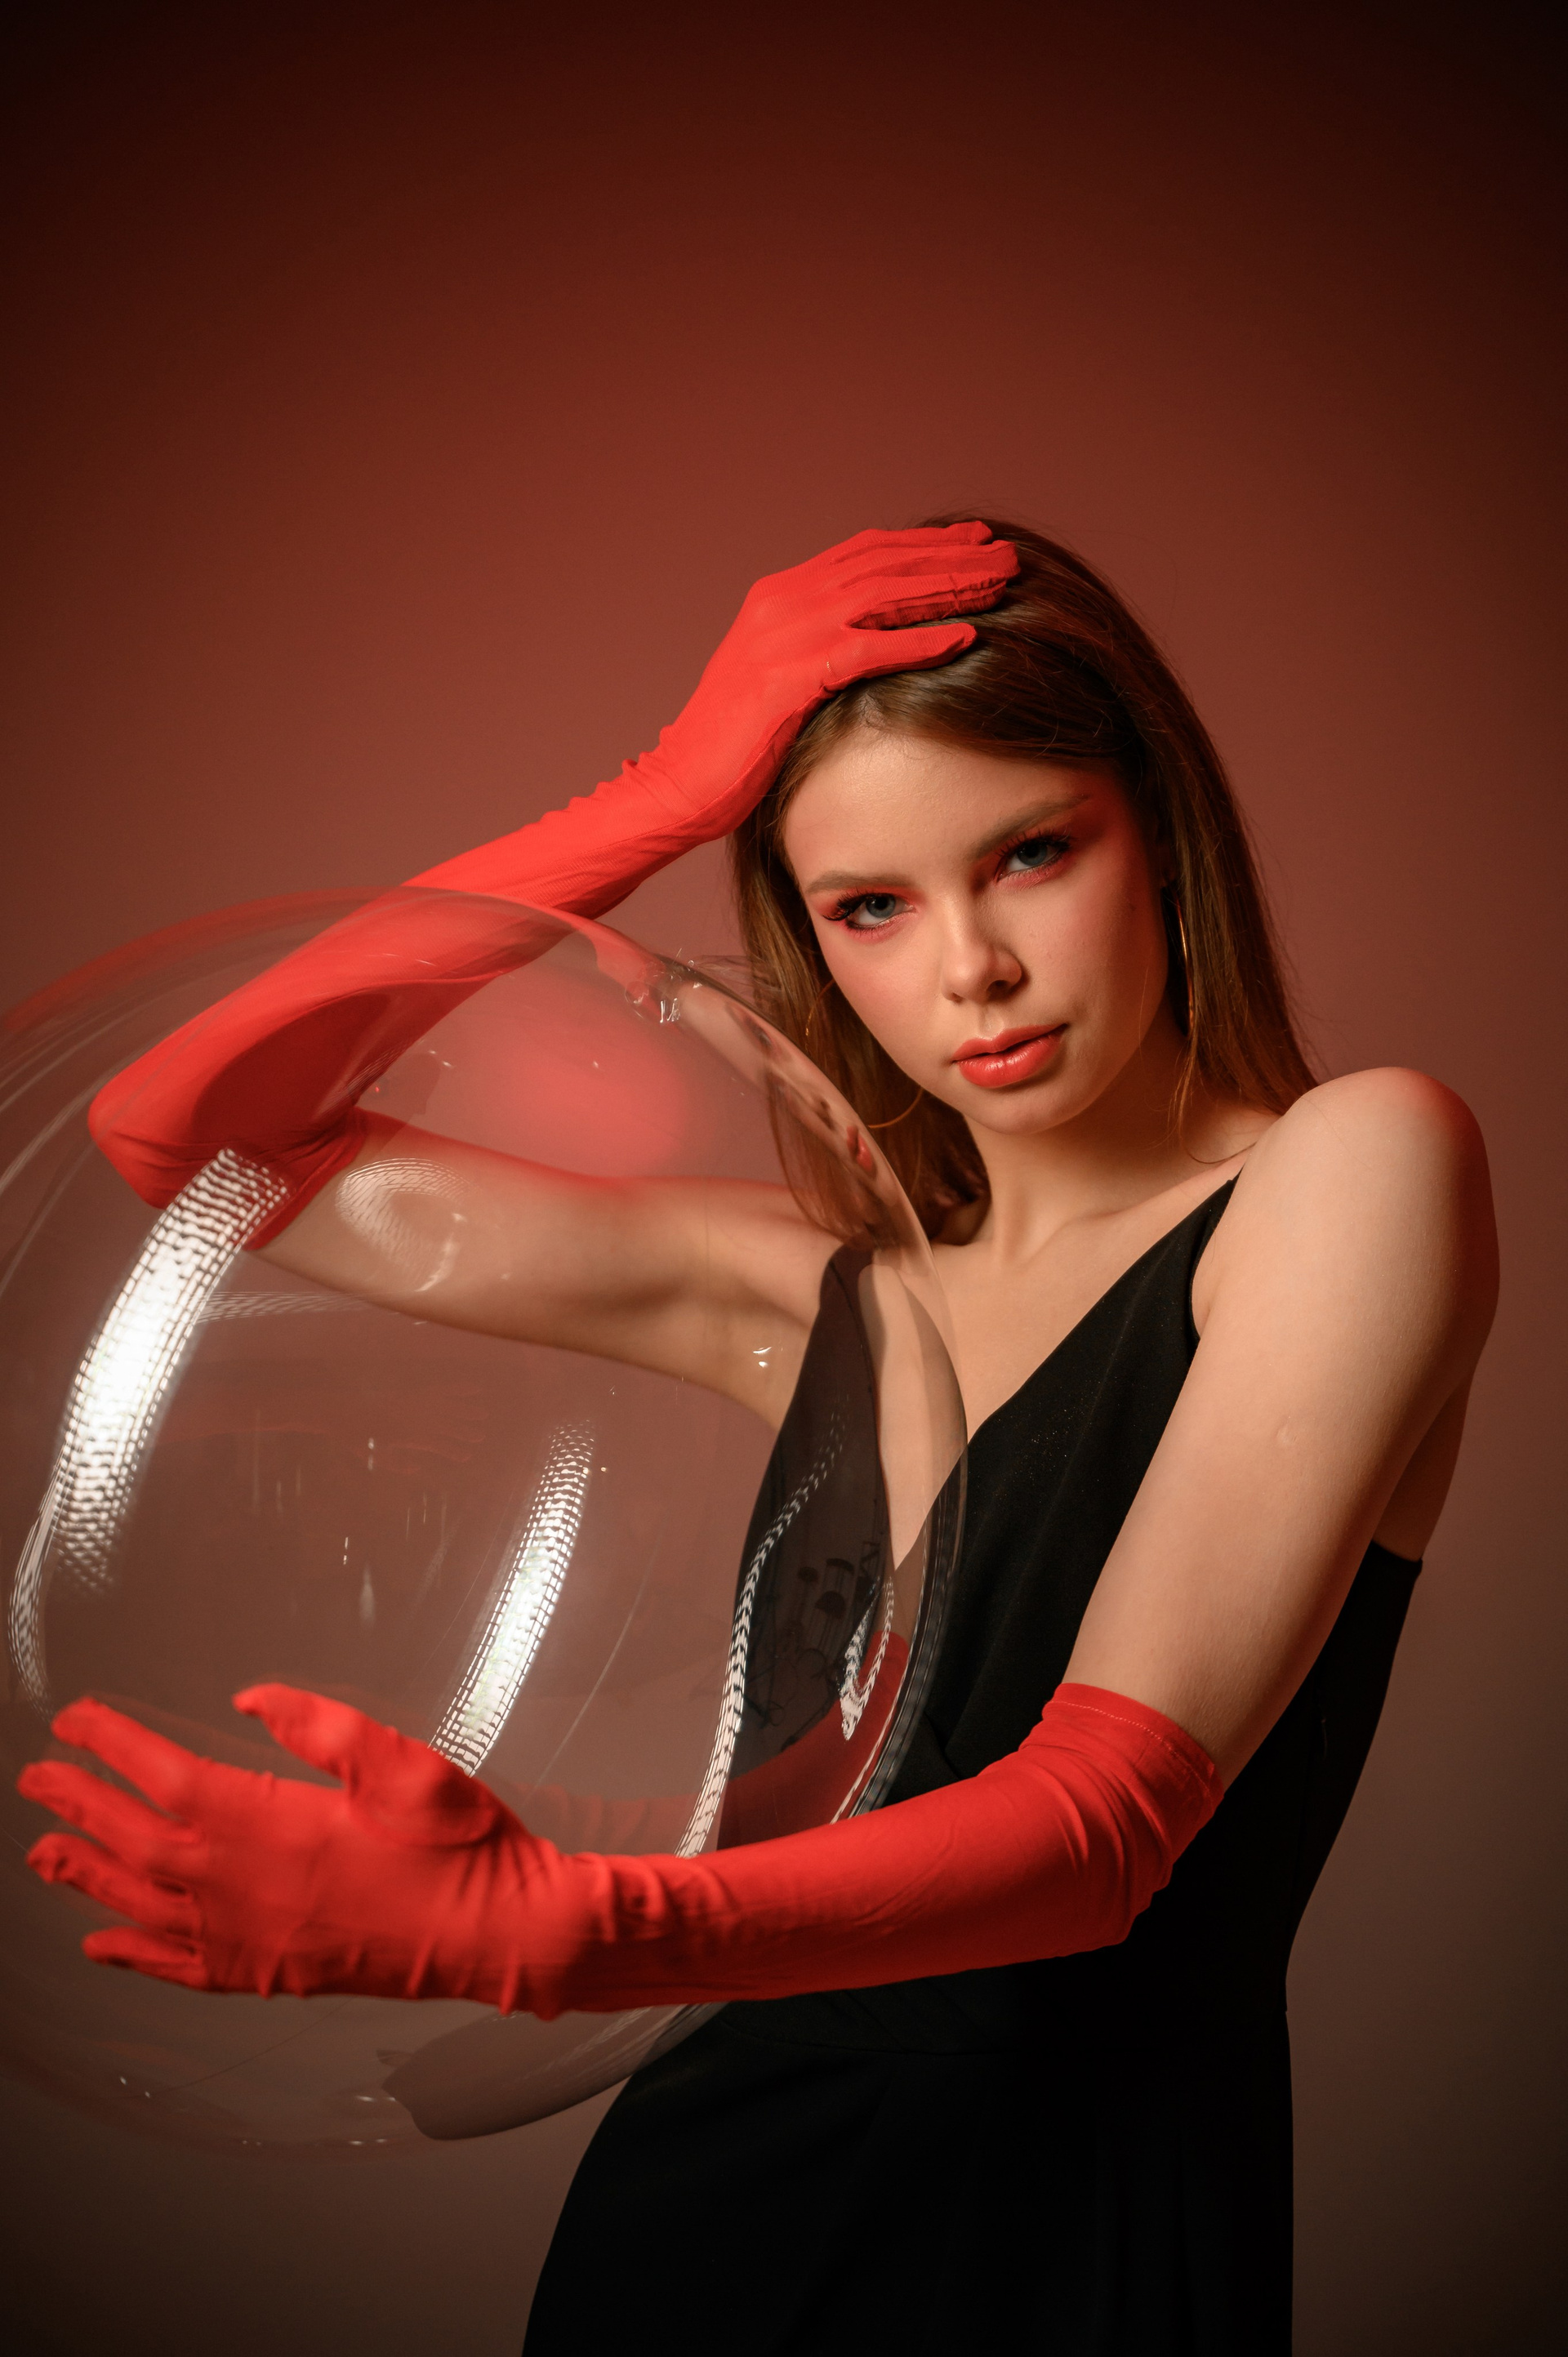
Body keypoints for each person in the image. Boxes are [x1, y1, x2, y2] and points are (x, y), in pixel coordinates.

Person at [20, 520, 1496, 2354]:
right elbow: (182, 1135)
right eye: (869, 905)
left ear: (1161, 830)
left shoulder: (1356, 1168)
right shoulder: (814, 1291)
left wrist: (553, 1925)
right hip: (699, 2217)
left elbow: (1101, 1828)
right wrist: (657, 795)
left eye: (1032, 853)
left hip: (1064, 2242)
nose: (972, 968)